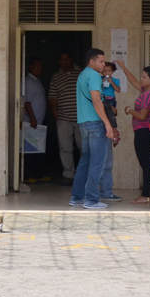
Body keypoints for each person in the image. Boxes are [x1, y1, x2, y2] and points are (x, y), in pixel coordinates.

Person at [69, 49, 117, 210]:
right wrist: (108, 124)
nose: (104, 64)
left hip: (83, 122)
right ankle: (91, 199)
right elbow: (97, 101)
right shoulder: (95, 76)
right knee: (98, 161)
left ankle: (76, 197)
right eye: (101, 61)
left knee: (86, 160)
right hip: (96, 123)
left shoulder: (82, 75)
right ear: (92, 62)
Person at [121, 64, 150, 205]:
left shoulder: (147, 95)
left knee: (146, 165)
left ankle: (145, 195)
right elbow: (134, 82)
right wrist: (123, 67)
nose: (141, 79)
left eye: (144, 77)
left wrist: (129, 110)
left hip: (143, 132)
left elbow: (142, 116)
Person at [48, 53, 82, 183]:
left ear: (71, 59)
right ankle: (68, 175)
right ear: (59, 62)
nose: (65, 61)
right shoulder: (56, 77)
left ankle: (82, 175)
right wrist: (54, 109)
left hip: (81, 118)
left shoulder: (81, 74)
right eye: (62, 59)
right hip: (63, 118)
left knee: (84, 148)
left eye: (67, 59)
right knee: (65, 148)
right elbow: (52, 95)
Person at [98, 62, 122, 202]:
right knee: (103, 162)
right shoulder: (99, 81)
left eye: (109, 71)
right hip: (103, 105)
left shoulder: (114, 80)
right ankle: (103, 191)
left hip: (111, 102)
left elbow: (117, 90)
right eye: (104, 70)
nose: (107, 73)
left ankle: (114, 131)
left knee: (111, 115)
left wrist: (111, 82)